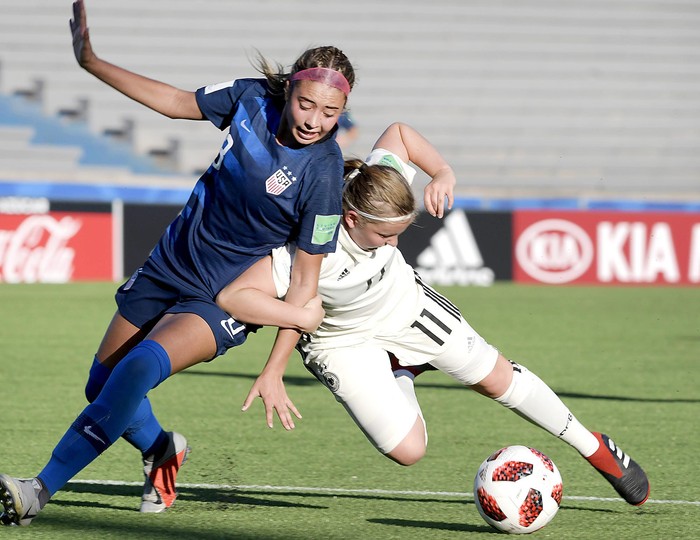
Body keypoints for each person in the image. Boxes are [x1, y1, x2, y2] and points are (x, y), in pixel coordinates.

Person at [0, 0, 356, 526]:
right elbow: (172, 102)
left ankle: (38, 489)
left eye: (331, 114)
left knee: (137, 369)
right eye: (307, 106)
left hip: (227, 295)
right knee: (102, 385)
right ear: (289, 92)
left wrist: (275, 367)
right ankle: (164, 450)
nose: (315, 122)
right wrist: (92, 63)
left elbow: (304, 285)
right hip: (170, 263)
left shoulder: (323, 173)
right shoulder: (251, 98)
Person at [215, 122, 651, 507]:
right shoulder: (311, 241)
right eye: (385, 235)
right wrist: (294, 336)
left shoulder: (372, 184)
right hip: (339, 340)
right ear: (349, 219)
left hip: (405, 306)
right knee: (408, 451)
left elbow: (400, 134)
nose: (392, 245)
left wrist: (442, 171)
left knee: (496, 379)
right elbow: (235, 295)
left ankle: (594, 448)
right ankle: (402, 369)